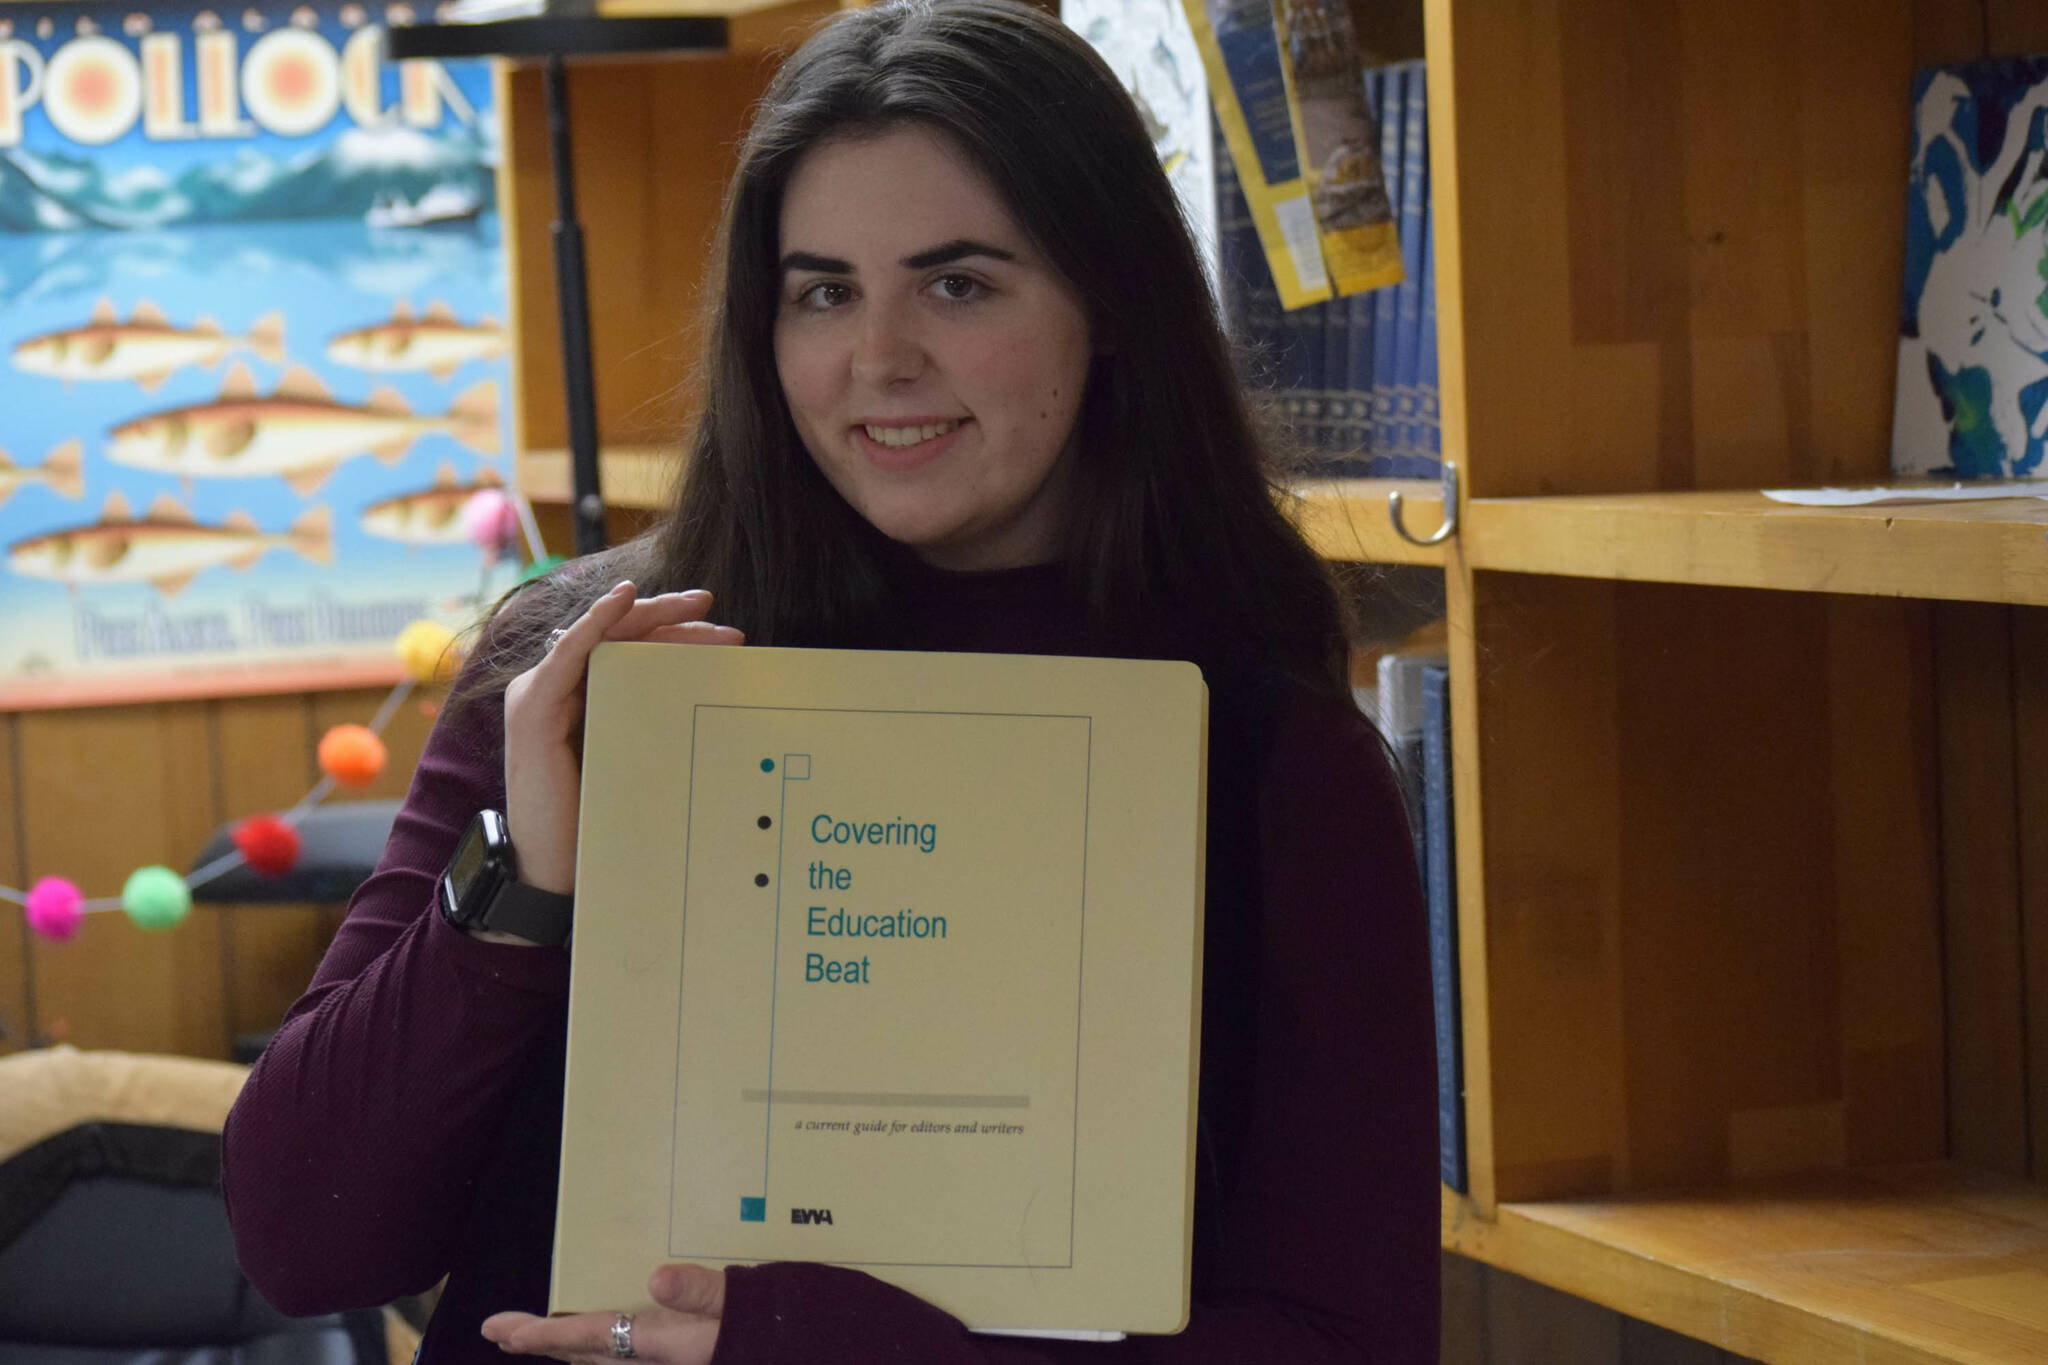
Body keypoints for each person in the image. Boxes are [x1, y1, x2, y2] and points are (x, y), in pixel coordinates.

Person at [219, 1, 1438, 1360]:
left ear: (1114, 307)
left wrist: (823, 1337)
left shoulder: (1273, 756)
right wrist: (523, 881)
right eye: (822, 291)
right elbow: (299, 1237)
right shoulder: (581, 669)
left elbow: (1353, 1338)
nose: (878, 359)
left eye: (960, 283)